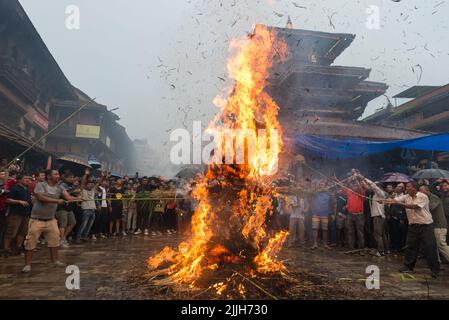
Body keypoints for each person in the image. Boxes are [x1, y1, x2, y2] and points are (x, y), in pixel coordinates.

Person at [22, 169, 79, 273]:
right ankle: (27, 264)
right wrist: (57, 201)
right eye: (56, 174)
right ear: (49, 176)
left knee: (55, 241)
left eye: (58, 174)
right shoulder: (41, 185)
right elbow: (41, 197)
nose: (58, 176)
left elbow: (68, 197)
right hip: (36, 219)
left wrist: (78, 198)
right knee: (30, 242)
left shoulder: (60, 188)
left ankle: (55, 260)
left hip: (51, 219)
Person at [386, 181, 440, 278]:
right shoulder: (406, 196)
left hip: (426, 226)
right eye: (406, 187)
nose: (406, 188)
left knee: (430, 248)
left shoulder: (422, 196)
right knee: (410, 247)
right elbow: (395, 199)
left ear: (414, 188)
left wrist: (399, 203)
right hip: (413, 226)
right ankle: (408, 267)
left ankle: (435, 269)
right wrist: (385, 200)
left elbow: (415, 207)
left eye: (408, 186)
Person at [3, 174, 32, 256]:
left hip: (26, 214)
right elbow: (7, 200)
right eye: (25, 178)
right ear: (19, 180)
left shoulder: (27, 189)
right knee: (11, 232)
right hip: (15, 214)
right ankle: (6, 249)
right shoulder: (14, 189)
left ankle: (18, 248)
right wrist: (19, 201)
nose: (27, 179)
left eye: (28, 178)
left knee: (22, 232)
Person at [360, 175, 389, 256]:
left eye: (376, 186)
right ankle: (386, 250)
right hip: (380, 216)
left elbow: (372, 185)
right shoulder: (377, 194)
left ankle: (380, 251)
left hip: (378, 216)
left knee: (377, 234)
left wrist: (363, 177)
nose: (373, 187)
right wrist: (361, 180)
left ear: (379, 187)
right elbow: (368, 187)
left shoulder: (380, 193)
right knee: (382, 234)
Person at [419, 185, 449, 264]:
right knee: (434, 245)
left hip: (439, 225)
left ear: (427, 191)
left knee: (441, 244)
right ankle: (437, 263)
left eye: (421, 190)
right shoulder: (428, 198)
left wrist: (420, 203)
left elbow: (431, 207)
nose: (419, 192)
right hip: (433, 225)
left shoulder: (434, 198)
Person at [338, 172, 366, 254]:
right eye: (354, 185)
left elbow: (360, 187)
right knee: (350, 232)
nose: (355, 186)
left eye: (356, 185)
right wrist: (349, 180)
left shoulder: (361, 193)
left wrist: (356, 178)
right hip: (350, 215)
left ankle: (361, 250)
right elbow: (343, 187)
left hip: (359, 215)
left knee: (360, 233)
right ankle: (351, 248)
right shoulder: (349, 192)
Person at [55, 171, 78, 248]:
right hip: (62, 208)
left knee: (72, 223)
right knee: (62, 225)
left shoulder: (71, 186)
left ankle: (63, 238)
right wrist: (75, 195)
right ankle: (60, 241)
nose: (72, 179)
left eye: (73, 177)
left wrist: (77, 196)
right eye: (70, 177)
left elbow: (74, 196)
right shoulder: (61, 185)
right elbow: (66, 196)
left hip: (69, 208)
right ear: (66, 178)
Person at [310, 180, 335, 250]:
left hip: (325, 214)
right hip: (316, 214)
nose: (321, 185)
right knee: (315, 229)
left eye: (322, 184)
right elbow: (311, 201)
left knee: (325, 230)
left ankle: (325, 244)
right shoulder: (315, 193)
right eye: (320, 184)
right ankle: (315, 244)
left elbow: (332, 204)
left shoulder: (328, 193)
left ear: (325, 185)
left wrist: (332, 213)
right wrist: (313, 210)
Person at [75, 179, 97, 243]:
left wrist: (103, 177)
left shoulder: (93, 191)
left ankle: (84, 237)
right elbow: (82, 183)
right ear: (85, 185)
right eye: (88, 184)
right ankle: (78, 238)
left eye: (91, 184)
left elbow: (98, 183)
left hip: (93, 210)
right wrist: (85, 175)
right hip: (86, 210)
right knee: (83, 225)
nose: (90, 185)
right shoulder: (83, 191)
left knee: (89, 225)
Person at [389, 184, 408, 252]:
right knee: (393, 232)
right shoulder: (394, 195)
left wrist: (402, 218)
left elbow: (405, 208)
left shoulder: (405, 196)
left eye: (399, 187)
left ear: (402, 189)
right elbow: (391, 204)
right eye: (397, 186)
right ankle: (394, 246)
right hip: (393, 216)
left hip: (400, 217)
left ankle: (400, 247)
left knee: (400, 233)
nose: (397, 188)